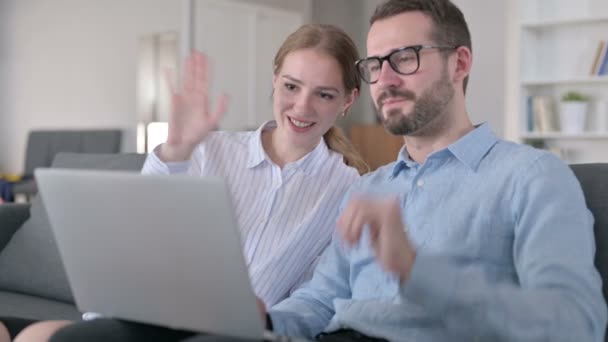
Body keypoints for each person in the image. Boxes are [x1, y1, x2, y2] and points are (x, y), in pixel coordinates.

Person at [49, 0, 608, 341]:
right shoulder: (370, 188)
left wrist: (419, 271)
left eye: (405, 58)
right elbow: (318, 300)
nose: (387, 77)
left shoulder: (532, 177)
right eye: (377, 63)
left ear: (459, 63)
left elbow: (575, 326)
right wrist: (263, 317)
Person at [0, 23, 367, 342]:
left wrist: (267, 320)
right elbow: (138, 229)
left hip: (228, 335)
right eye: (291, 86)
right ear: (275, 79)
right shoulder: (212, 149)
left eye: (324, 94)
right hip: (148, 315)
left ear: (348, 100)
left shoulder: (347, 188)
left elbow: (319, 295)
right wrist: (175, 152)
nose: (302, 107)